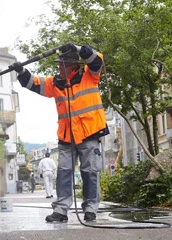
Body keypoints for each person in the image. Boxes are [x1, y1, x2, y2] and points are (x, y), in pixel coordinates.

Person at [9, 43, 109, 223]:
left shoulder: (89, 75)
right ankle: (61, 211)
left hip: (89, 134)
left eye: (61, 64)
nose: (58, 68)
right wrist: (21, 72)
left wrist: (78, 48)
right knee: (63, 173)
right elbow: (33, 83)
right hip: (66, 137)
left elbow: (97, 58)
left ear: (73, 65)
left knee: (90, 173)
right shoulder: (55, 83)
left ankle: (90, 210)